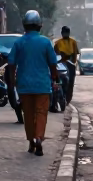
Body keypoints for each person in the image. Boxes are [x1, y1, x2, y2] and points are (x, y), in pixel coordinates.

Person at [5, 9, 58, 156]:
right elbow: (53, 64)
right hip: (42, 85)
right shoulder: (46, 42)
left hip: (24, 85)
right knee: (41, 113)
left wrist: (12, 81)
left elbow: (11, 64)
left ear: (24, 26)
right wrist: (55, 78)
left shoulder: (19, 43)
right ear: (40, 26)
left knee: (28, 114)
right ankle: (39, 137)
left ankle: (31, 142)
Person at [53, 25, 79, 102]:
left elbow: (75, 53)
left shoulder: (73, 42)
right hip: (61, 64)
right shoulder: (58, 43)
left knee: (70, 83)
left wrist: (73, 61)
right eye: (64, 33)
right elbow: (55, 54)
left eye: (67, 33)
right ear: (61, 33)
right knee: (58, 80)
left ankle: (68, 99)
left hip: (71, 64)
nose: (65, 34)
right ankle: (58, 96)